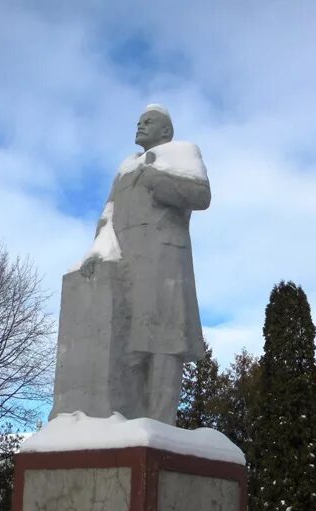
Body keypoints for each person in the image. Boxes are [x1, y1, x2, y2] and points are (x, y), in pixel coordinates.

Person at [79, 105, 210, 424]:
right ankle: (126, 419)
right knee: (126, 344)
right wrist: (98, 249)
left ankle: (160, 423)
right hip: (125, 263)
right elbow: (108, 211)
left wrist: (156, 179)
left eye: (148, 122)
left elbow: (201, 196)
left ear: (166, 131)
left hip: (164, 261)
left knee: (164, 342)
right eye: (138, 121)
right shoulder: (125, 167)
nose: (140, 125)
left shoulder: (182, 153)